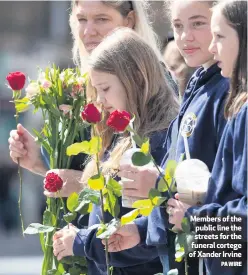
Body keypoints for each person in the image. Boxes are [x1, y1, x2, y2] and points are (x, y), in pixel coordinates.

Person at [105, 1, 230, 274]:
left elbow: (229, 204)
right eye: (177, 26)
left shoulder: (227, 95)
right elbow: (183, 202)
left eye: (198, 23)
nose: (185, 37)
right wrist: (142, 230)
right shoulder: (201, 86)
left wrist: (161, 185)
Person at [8, 0, 176, 199]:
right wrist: (40, 160)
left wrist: (83, 187)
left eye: (101, 19)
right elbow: (85, 166)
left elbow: (147, 188)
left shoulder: (149, 81)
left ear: (129, 20)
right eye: (81, 19)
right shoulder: (86, 84)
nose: (89, 31)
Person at [52, 27, 179, 275]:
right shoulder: (122, 132)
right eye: (97, 90)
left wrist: (82, 243)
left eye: (106, 89)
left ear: (135, 80)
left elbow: (153, 233)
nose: (100, 99)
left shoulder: (159, 136)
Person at [167, 1, 247, 274]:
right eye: (177, 26)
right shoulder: (204, 86)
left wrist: (194, 221)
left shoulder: (238, 104)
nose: (213, 47)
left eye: (219, 36)